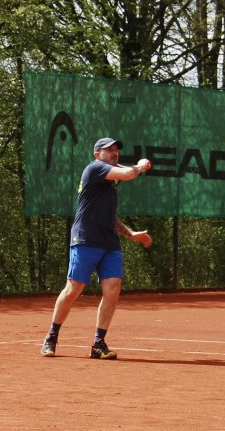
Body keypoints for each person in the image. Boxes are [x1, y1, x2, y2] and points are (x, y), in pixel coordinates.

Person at [41, 137, 152, 360]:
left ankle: (98, 344)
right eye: (108, 150)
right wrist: (139, 166)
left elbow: (110, 217)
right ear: (97, 155)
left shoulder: (109, 185)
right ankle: (51, 336)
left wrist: (130, 234)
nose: (114, 153)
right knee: (74, 288)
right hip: (86, 238)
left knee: (113, 288)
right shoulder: (95, 169)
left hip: (109, 242)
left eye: (116, 150)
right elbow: (128, 173)